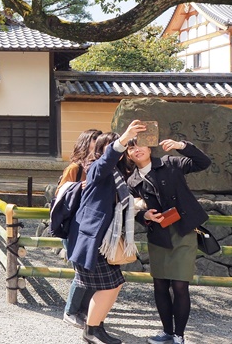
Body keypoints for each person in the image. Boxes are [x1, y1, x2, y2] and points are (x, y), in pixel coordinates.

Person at [124, 132, 211, 344]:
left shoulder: (170, 162)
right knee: (160, 284)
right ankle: (166, 332)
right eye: (131, 147)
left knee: (180, 285)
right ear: (128, 154)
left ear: (150, 147)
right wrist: (143, 215)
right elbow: (130, 208)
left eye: (140, 145)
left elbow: (203, 162)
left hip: (183, 231)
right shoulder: (132, 180)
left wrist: (182, 145)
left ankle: (179, 336)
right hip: (158, 234)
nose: (137, 149)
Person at [67, 120, 143, 344]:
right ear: (102, 150)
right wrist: (124, 138)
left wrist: (143, 211)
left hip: (104, 240)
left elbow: (121, 205)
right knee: (109, 285)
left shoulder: (116, 176)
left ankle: (96, 326)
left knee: (114, 283)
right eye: (115, 147)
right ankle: (91, 330)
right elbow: (109, 158)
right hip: (93, 239)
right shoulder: (96, 169)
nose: (121, 151)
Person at [58, 128, 102, 328]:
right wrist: (79, 187)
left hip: (90, 226)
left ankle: (85, 311)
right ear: (86, 143)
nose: (98, 144)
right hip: (73, 225)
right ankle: (70, 311)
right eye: (95, 140)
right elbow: (60, 193)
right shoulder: (75, 168)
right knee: (81, 271)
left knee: (91, 269)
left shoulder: (100, 166)